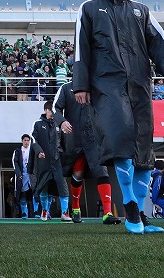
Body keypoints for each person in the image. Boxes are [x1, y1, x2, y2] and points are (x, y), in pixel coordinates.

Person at [73, 0, 164, 234]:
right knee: (121, 139)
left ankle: (141, 215)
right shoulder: (89, 8)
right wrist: (80, 85)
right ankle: (130, 206)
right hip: (106, 85)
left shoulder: (140, 10)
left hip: (140, 84)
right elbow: (81, 48)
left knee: (144, 148)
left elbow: (159, 42)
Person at [53, 81, 121, 225]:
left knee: (102, 171)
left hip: (94, 138)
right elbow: (55, 108)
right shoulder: (66, 88)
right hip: (74, 138)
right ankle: (76, 208)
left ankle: (107, 213)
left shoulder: (97, 86)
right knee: (77, 173)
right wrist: (62, 122)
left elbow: (108, 108)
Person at [32, 101, 70, 222]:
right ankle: (44, 211)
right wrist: (39, 151)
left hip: (58, 161)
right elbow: (33, 139)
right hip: (44, 162)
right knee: (44, 188)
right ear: (46, 110)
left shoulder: (59, 125)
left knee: (63, 187)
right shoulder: (37, 124)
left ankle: (65, 213)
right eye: (51, 111)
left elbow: (64, 143)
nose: (53, 114)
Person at [11, 134, 35, 219]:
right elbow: (15, 163)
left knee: (34, 193)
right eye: (25, 140)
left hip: (31, 175)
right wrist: (18, 174)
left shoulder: (32, 150)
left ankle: (36, 212)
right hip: (22, 176)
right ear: (22, 141)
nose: (26, 142)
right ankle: (24, 213)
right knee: (22, 194)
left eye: (28, 140)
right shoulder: (18, 151)